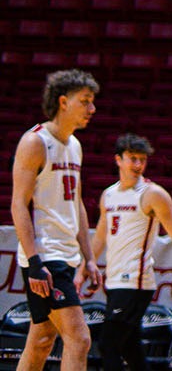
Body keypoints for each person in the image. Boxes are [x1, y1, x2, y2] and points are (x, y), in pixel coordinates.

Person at [92, 135, 172, 371]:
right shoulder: (108, 195)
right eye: (132, 159)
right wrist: (85, 267)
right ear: (118, 160)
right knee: (130, 347)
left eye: (142, 160)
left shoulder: (153, 194)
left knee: (109, 344)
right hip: (114, 280)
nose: (138, 165)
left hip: (136, 282)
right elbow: (100, 235)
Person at [10, 69, 102, 371]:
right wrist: (35, 262)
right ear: (63, 102)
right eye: (85, 101)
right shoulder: (35, 142)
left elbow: (76, 204)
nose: (92, 108)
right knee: (79, 339)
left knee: (41, 340)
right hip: (46, 257)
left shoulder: (74, 145)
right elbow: (19, 205)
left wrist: (89, 257)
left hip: (67, 254)